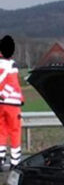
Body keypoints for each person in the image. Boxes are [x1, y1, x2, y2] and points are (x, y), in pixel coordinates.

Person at [0, 35, 24, 170]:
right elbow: (13, 83)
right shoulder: (11, 64)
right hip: (12, 103)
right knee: (15, 131)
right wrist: (3, 95)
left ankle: (0, 159)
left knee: (1, 130)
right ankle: (15, 162)